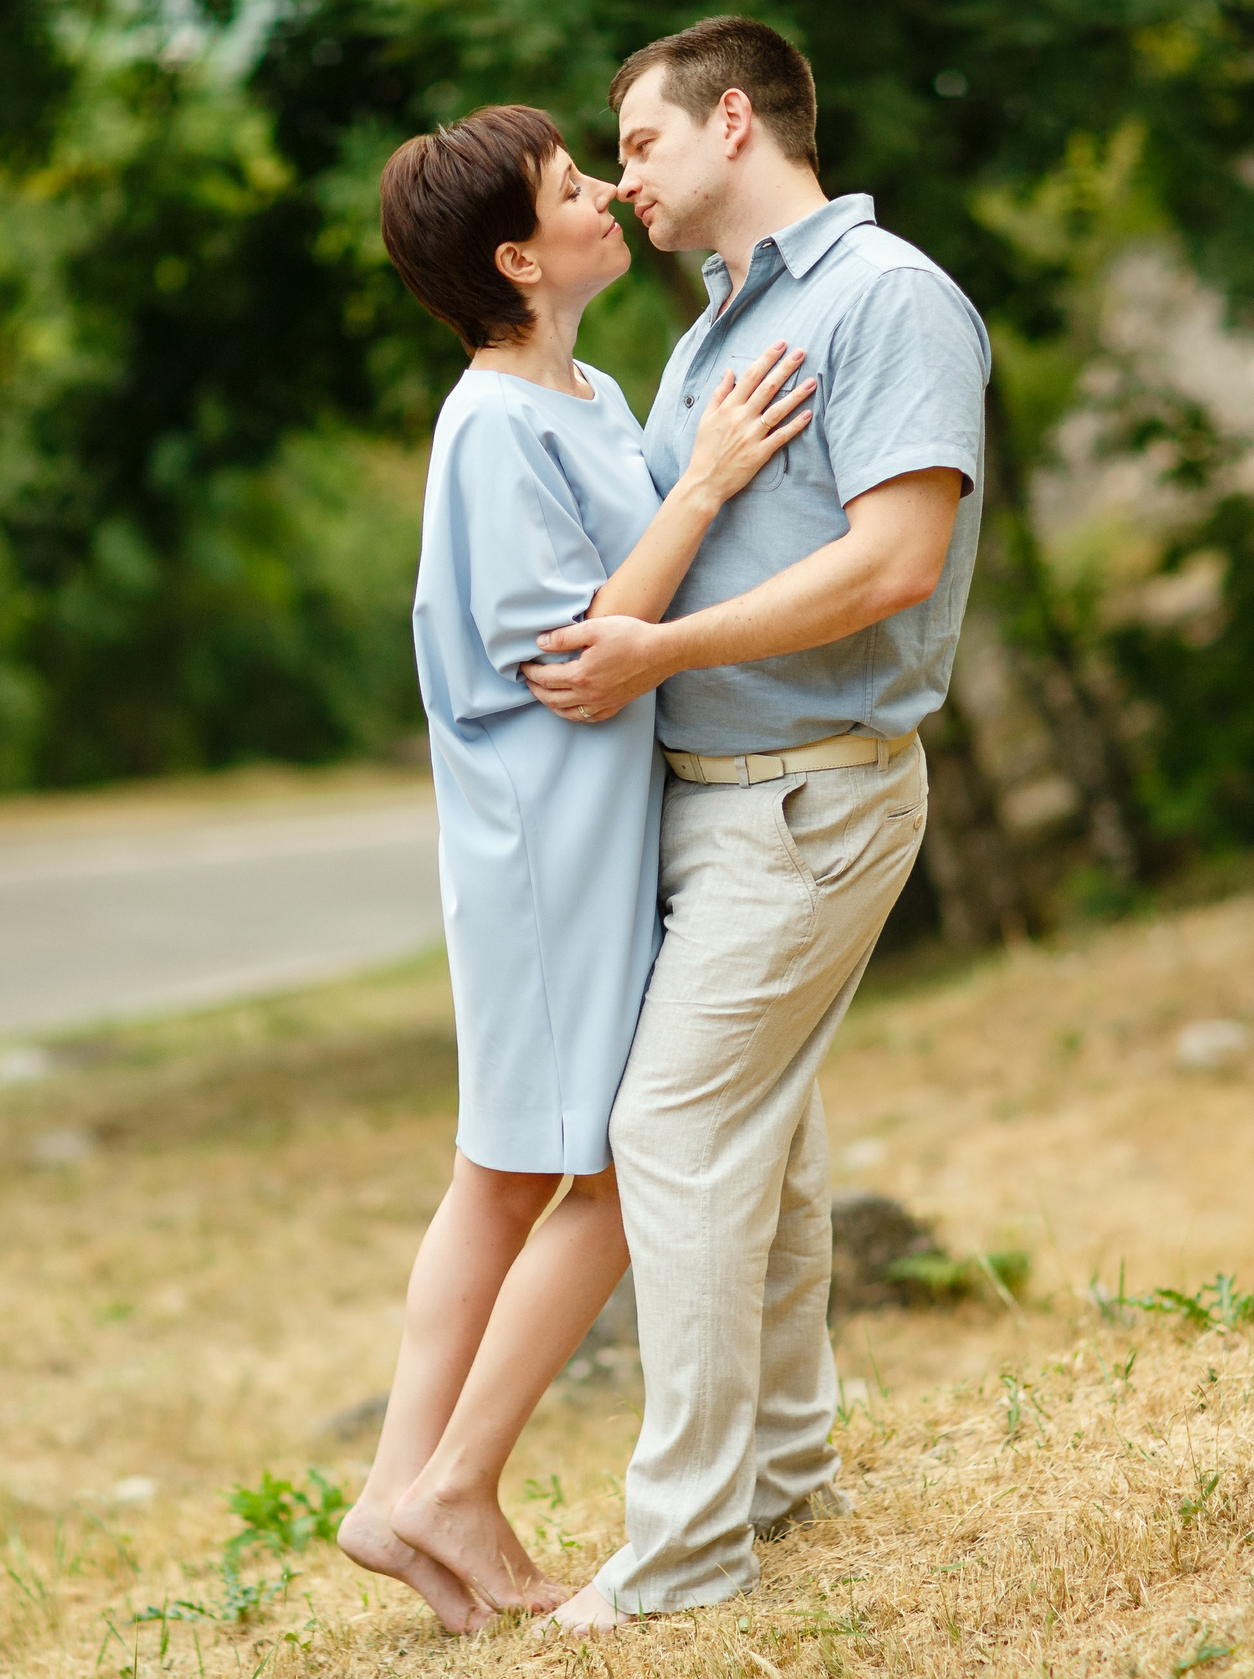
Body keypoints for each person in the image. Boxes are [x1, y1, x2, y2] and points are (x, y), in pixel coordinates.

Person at [528, 17, 993, 1633]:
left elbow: (894, 564)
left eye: (640, 146)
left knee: (672, 1137)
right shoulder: (712, 331)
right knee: (765, 1151)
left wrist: (658, 654)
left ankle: (681, 1556)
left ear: (735, 121)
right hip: (711, 808)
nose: (622, 181)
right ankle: (786, 1476)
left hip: (811, 797)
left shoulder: (889, 301)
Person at [333, 102, 818, 1634]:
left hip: (590, 836)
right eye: (571, 186)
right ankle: (447, 1489)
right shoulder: (488, 428)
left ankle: (401, 1495)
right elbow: (577, 660)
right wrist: (711, 481)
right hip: (545, 850)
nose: (609, 191)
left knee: (515, 1171)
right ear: (516, 255)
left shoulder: (585, 388)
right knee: (599, 1167)